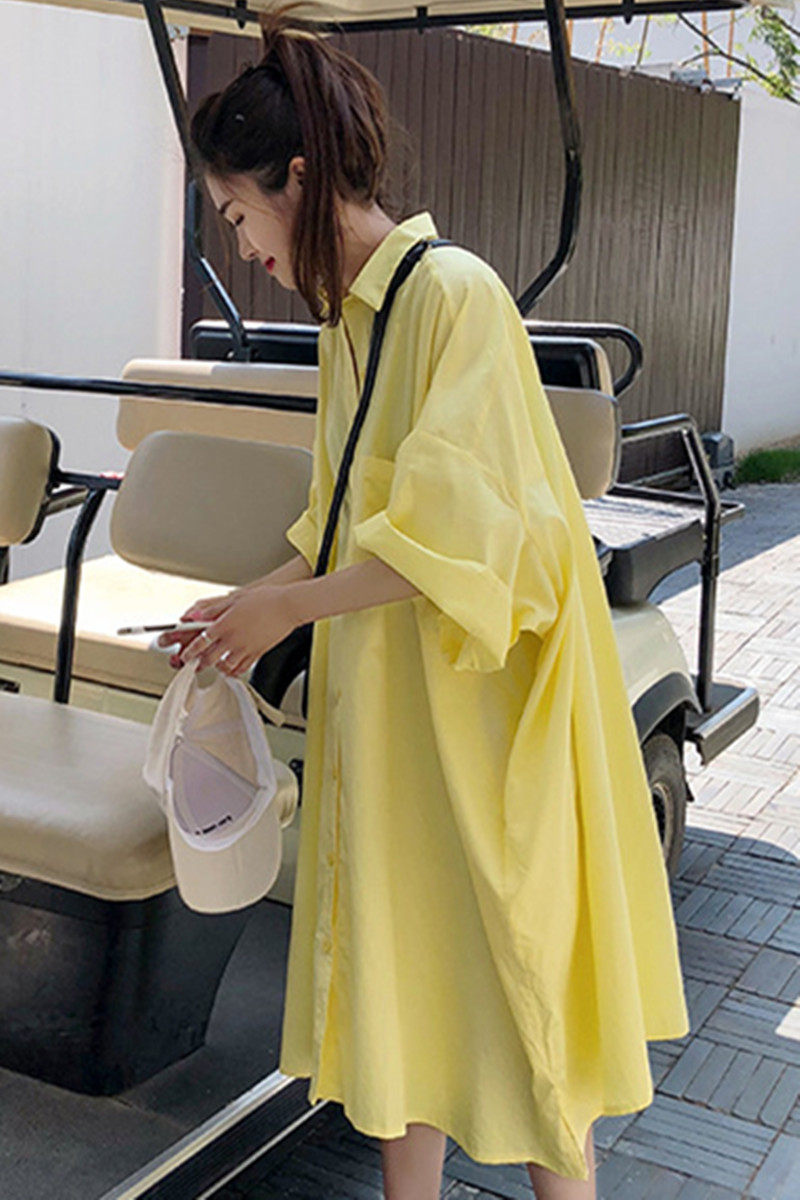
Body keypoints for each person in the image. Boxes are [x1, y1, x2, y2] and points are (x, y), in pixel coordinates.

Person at [162, 8, 689, 1198]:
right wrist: (249, 601)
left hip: (478, 713)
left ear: (299, 182)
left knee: (520, 987)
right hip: (397, 706)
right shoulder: (350, 318)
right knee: (400, 985)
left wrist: (290, 612)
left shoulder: (452, 295)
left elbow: (465, 540)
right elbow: (345, 523)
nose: (240, 246)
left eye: (239, 215)